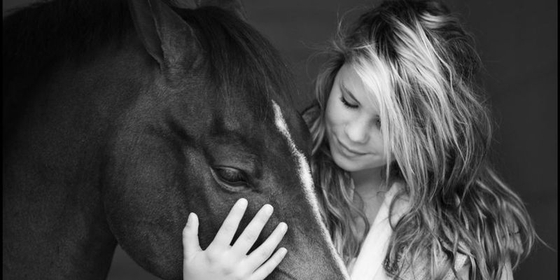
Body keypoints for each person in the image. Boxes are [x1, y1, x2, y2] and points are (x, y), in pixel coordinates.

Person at [182, 0, 538, 279]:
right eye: (349, 102)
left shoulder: (469, 234)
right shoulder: (272, 181)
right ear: (333, 75)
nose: (353, 133)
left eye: (386, 125)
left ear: (429, 133)